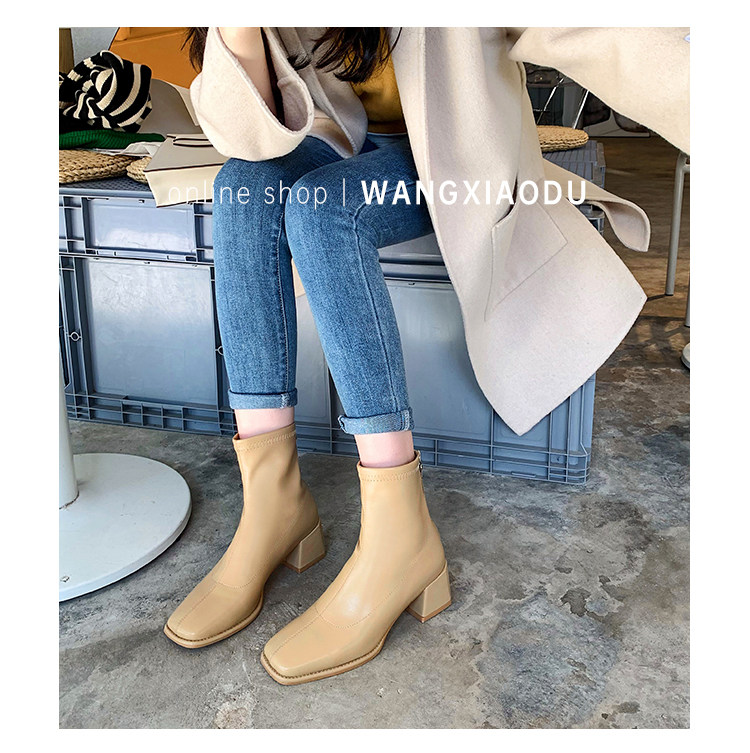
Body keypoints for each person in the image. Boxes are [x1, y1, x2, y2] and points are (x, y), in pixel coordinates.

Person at [163, 27, 689, 686]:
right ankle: (274, 507)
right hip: (349, 144)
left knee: (325, 214)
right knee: (243, 185)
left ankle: (400, 537)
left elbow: (612, 35)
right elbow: (245, 137)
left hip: (457, 160)